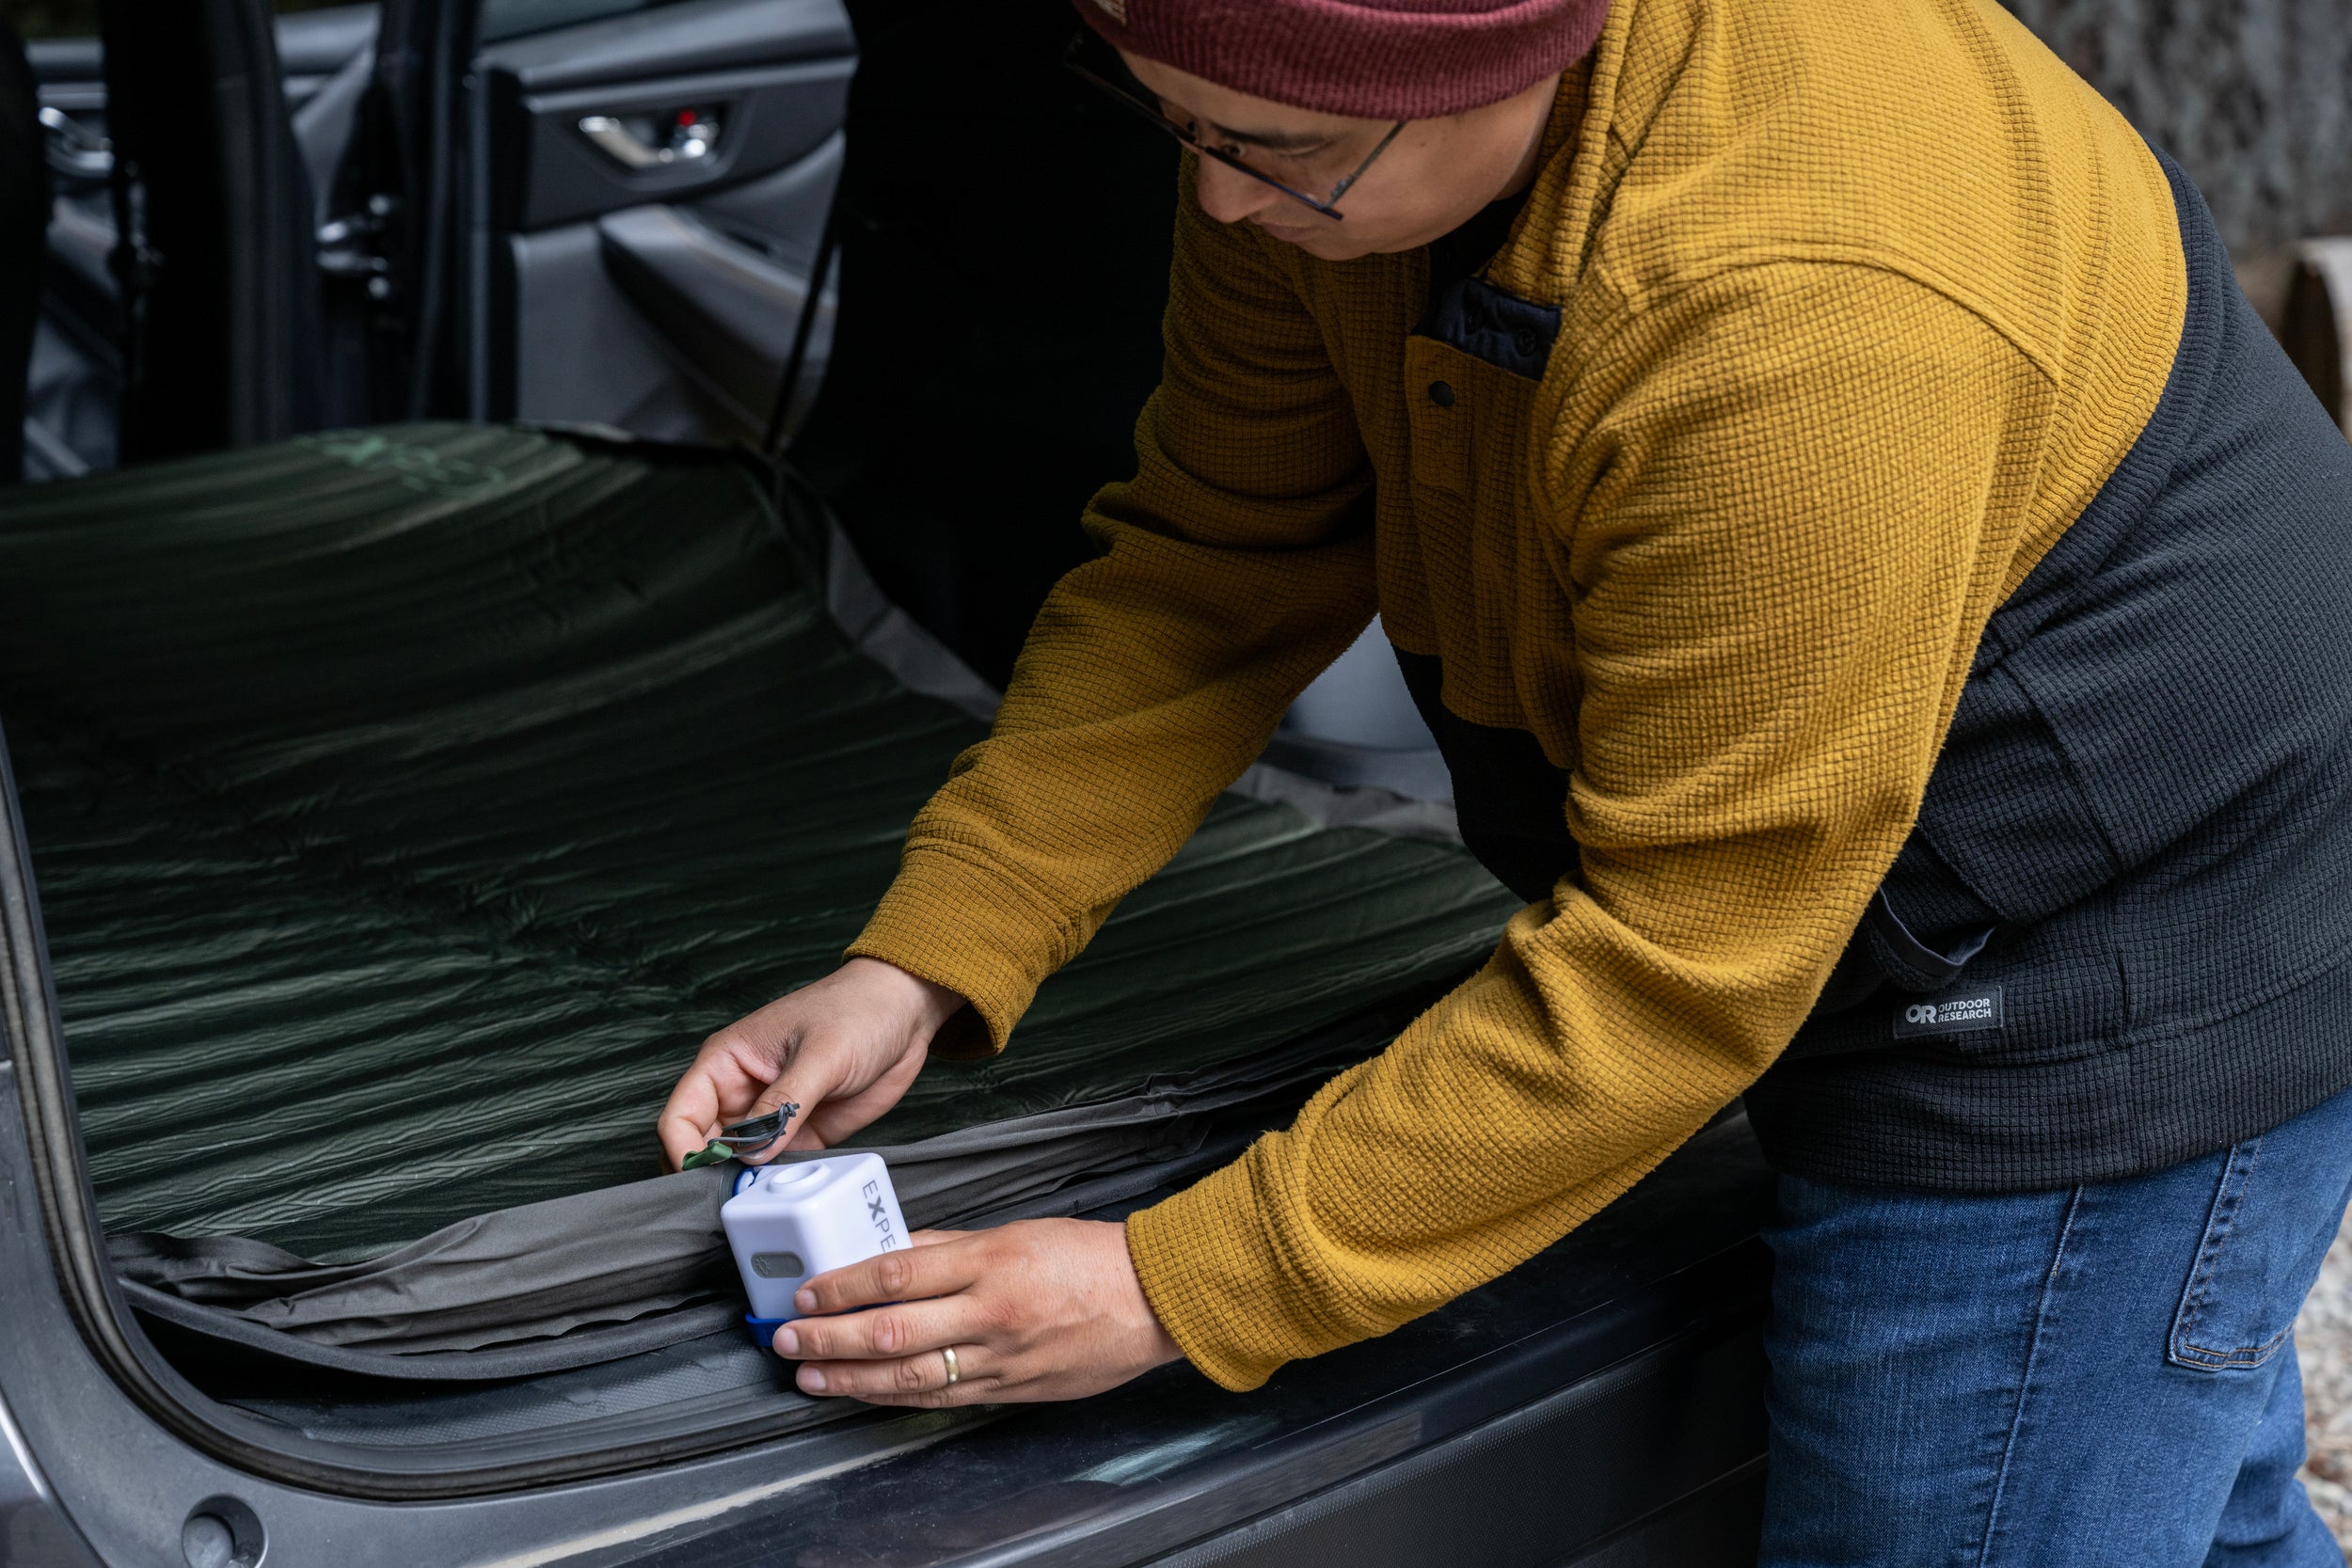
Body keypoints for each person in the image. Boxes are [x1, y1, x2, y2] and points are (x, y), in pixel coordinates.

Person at [659, 0, 2352, 1557]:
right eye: (1176, 121)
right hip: (1834, 868)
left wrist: (1171, 1287)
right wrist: (928, 954)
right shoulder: (1291, 117)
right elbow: (1217, 556)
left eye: (1278, 152)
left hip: (2116, 939)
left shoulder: (1794, 311)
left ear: (1510, 63)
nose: (1222, 198)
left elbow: (1680, 964)